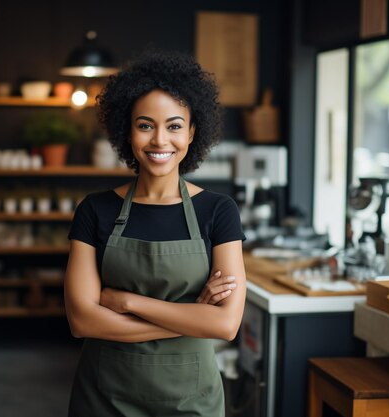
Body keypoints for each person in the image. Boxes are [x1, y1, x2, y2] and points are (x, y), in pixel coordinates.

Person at [64, 49, 247, 417]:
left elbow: (225, 324)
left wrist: (128, 303)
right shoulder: (95, 210)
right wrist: (192, 315)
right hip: (104, 398)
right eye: (145, 125)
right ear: (126, 131)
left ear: (193, 132)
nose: (160, 140)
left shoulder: (218, 211)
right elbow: (82, 321)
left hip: (191, 401)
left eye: (175, 126)